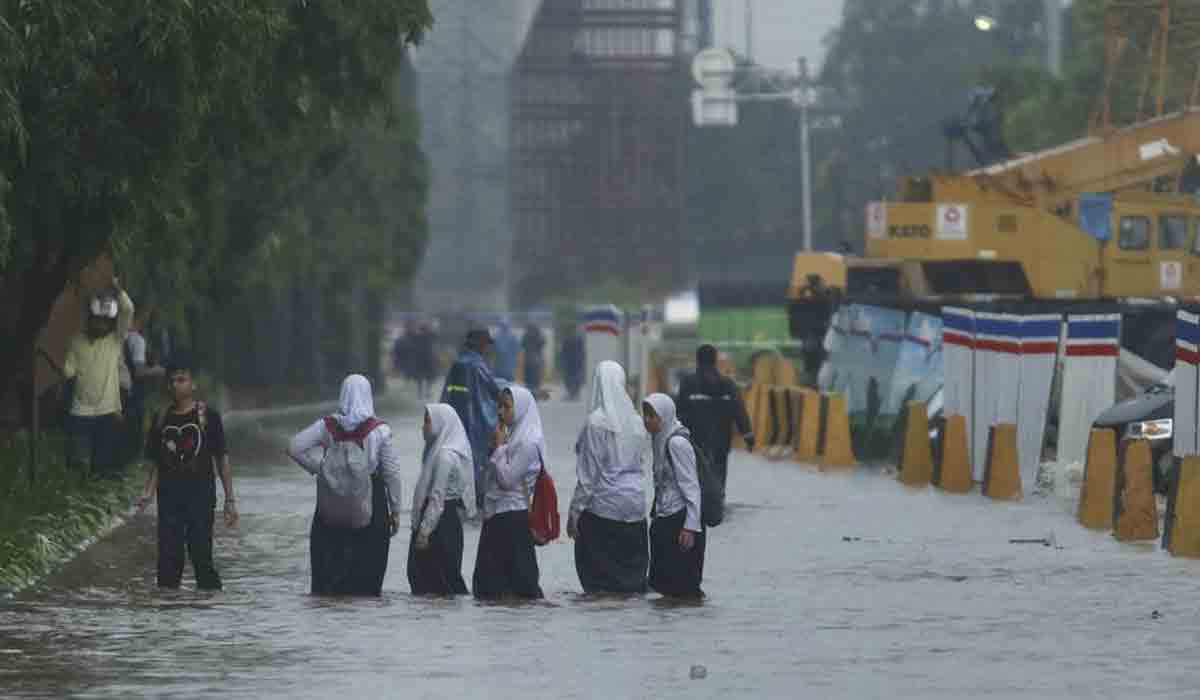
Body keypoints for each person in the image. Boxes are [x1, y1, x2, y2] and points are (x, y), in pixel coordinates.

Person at [287, 375, 403, 596]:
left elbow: (293, 447)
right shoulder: (380, 430)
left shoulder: (326, 426)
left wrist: (320, 470)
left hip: (332, 500)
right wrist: (395, 511)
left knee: (330, 577)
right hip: (372, 502)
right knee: (366, 582)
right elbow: (391, 473)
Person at [136, 354, 238, 591]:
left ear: (193, 384)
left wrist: (230, 500)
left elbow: (221, 458)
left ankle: (209, 605)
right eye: (172, 381)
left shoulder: (209, 417)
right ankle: (170, 607)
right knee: (168, 562)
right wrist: (147, 492)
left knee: (201, 556)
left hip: (200, 498)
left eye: (181, 380)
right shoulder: (161, 419)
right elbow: (158, 462)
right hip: (169, 499)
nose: (175, 385)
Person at [567, 361, 650, 594]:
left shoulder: (596, 423)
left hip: (602, 512)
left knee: (599, 587)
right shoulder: (637, 421)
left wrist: (574, 514)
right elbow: (640, 464)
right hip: (635, 510)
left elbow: (588, 477)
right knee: (631, 584)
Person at [472, 385, 543, 600]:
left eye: (506, 407)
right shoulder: (512, 436)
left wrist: (499, 449)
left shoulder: (529, 441)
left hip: (513, 518)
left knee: (517, 587)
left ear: (520, 408)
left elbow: (507, 480)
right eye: (499, 406)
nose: (500, 412)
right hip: (497, 514)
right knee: (489, 588)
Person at [63, 276, 134, 479]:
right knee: (78, 462)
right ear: (90, 319)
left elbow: (128, 310)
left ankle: (98, 481)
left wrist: (118, 291)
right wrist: (61, 367)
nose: (102, 325)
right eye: (98, 320)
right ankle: (79, 485)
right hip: (80, 410)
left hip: (107, 410)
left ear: (111, 323)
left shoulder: (115, 340)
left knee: (101, 465)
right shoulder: (76, 342)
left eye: (106, 322)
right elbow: (68, 371)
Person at [643, 393, 705, 599]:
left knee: (684, 590)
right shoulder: (659, 439)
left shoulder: (676, 443)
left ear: (665, 416)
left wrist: (690, 527)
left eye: (652, 415)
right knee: (663, 590)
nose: (647, 420)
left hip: (681, 522)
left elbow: (692, 487)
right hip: (665, 519)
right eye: (645, 415)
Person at [408, 404, 474, 595]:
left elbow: (437, 498)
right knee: (439, 582)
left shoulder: (445, 456)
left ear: (440, 423)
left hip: (439, 525)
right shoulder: (437, 452)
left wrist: (424, 532)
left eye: (427, 421)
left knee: (436, 583)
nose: (423, 427)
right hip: (443, 521)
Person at [675, 345, 753, 492]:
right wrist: (748, 435)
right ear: (715, 360)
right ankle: (718, 496)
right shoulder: (728, 384)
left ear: (697, 360)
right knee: (719, 471)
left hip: (695, 439)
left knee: (696, 472)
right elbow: (739, 410)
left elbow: (679, 411)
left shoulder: (688, 383)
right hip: (721, 439)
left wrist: (675, 436)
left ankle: (698, 499)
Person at [440, 328, 503, 510]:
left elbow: (446, 394)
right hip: (476, 422)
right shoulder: (477, 365)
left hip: (456, 420)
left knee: (459, 458)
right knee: (477, 459)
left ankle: (459, 497)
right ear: (480, 344)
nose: (488, 348)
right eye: (486, 344)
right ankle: (476, 499)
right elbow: (493, 390)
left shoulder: (457, 364)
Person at [122, 311, 165, 463]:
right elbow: (139, 372)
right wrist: (158, 370)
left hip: (112, 393)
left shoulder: (115, 337)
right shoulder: (137, 340)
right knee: (132, 439)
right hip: (132, 395)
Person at [411, 321, 439, 400]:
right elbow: (435, 337)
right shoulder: (429, 336)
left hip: (421, 359)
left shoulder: (417, 336)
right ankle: (426, 392)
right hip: (427, 359)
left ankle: (421, 392)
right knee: (428, 377)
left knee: (421, 377)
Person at [559, 326, 586, 401]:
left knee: (569, 377)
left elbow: (563, 351)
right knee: (575, 376)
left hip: (569, 361)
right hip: (576, 361)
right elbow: (582, 351)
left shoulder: (566, 339)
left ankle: (572, 393)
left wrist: (562, 360)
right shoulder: (579, 339)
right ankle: (575, 393)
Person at [521, 323, 547, 393]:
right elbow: (544, 342)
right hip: (536, 360)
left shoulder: (526, 335)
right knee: (536, 379)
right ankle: (535, 391)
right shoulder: (538, 335)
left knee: (528, 379)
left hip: (528, 360)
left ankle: (530, 391)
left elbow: (522, 344)